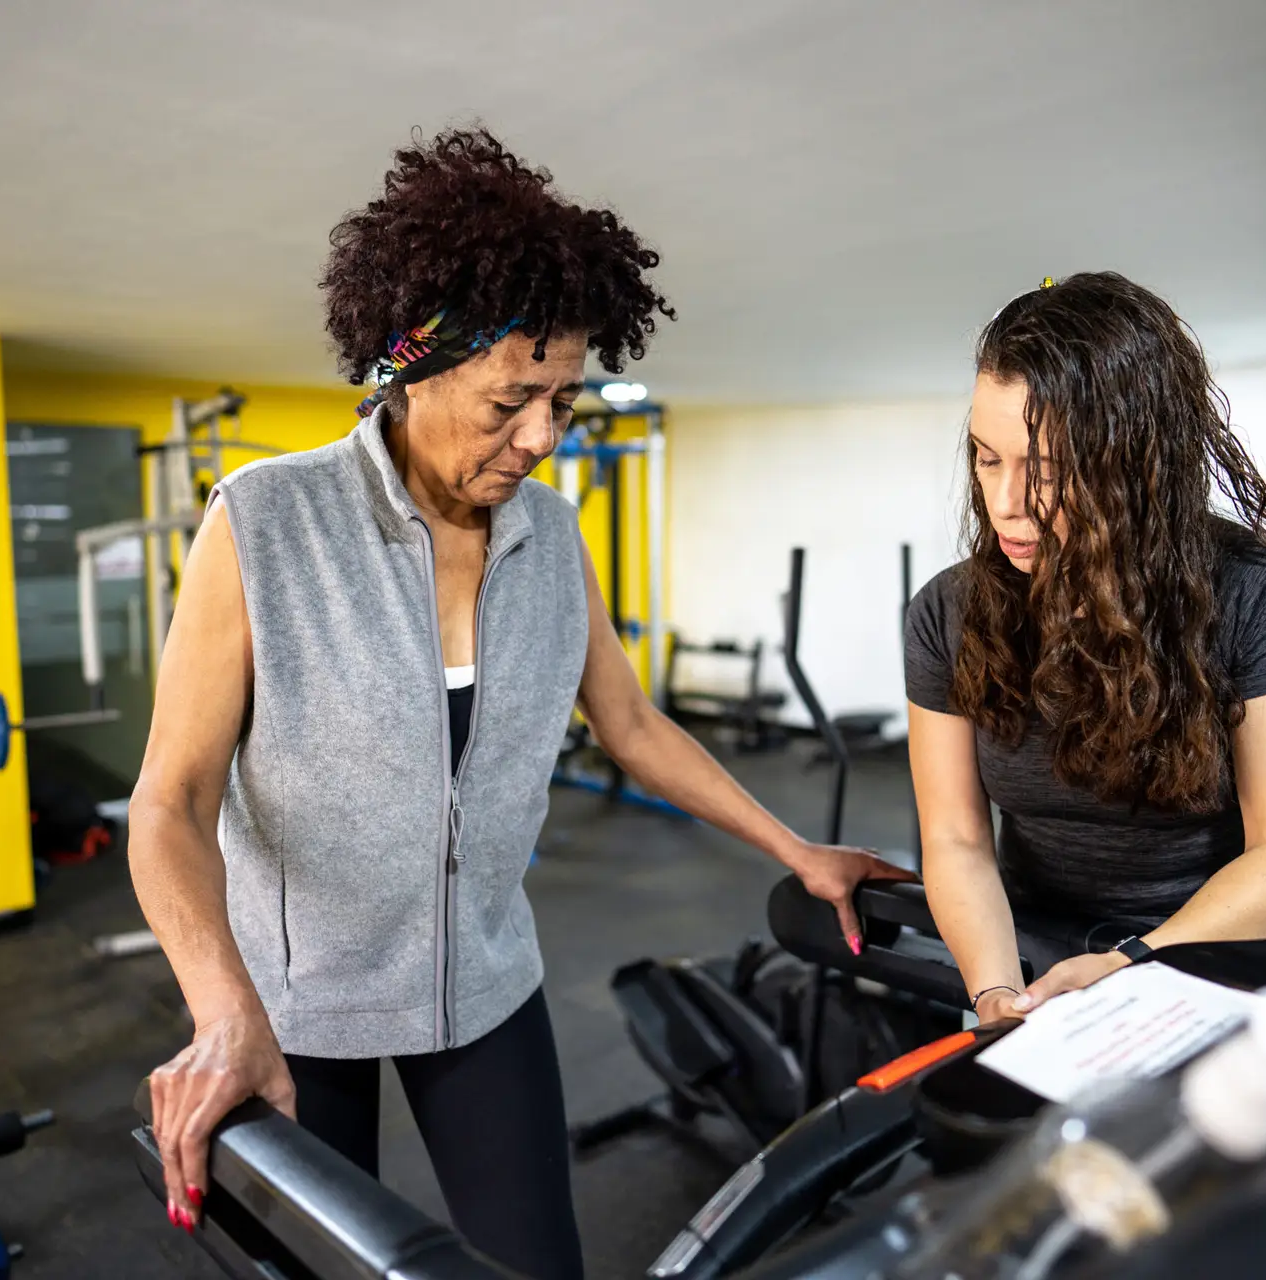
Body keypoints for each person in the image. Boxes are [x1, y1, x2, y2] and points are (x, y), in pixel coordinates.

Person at [132, 127, 907, 1280]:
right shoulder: (265, 523)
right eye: (510, 401)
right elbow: (171, 800)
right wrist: (221, 1007)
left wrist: (797, 846)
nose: (541, 436)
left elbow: (632, 724)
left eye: (563, 401)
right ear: (412, 365)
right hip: (292, 1000)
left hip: (485, 981)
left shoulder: (551, 536)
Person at [906, 272, 1266, 1029]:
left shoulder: (1257, 597)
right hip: (1033, 952)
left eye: (1048, 469)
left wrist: (1135, 964)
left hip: (1213, 951)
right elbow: (956, 837)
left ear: (1136, 465)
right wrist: (996, 990)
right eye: (987, 458)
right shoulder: (948, 610)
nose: (1004, 503)